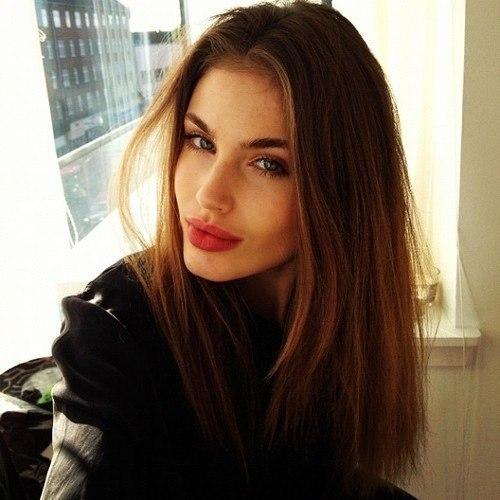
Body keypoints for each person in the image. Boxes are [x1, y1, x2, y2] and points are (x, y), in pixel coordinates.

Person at [41, 1, 435, 498]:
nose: (209, 194)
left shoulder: (339, 318)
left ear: (343, 191)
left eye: (268, 164)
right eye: (200, 141)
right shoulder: (115, 330)